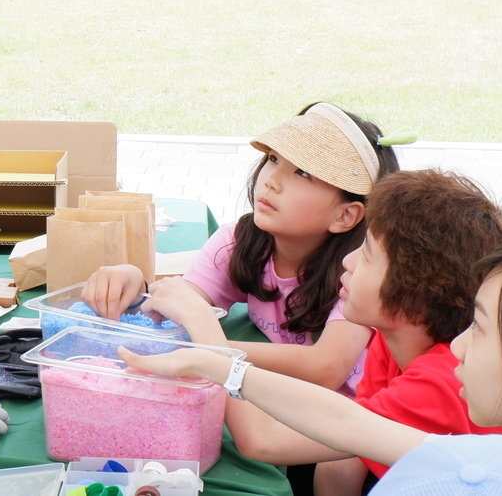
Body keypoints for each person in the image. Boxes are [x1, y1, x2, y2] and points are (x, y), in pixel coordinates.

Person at [124, 232, 502, 496]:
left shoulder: (489, 475)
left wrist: (214, 349)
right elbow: (349, 426)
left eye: (480, 328)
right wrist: (217, 363)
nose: (460, 346)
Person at [147, 169, 502, 493]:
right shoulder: (390, 345)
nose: (348, 260)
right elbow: (347, 448)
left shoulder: (440, 381)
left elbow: (263, 441)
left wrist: (204, 329)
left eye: (368, 253)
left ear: (415, 292)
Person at [84, 103, 401, 395]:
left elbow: (326, 369)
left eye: (303, 173)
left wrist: (210, 348)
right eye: (274, 159)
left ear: (345, 215)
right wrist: (136, 282)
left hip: (350, 428)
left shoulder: (361, 273)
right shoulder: (239, 242)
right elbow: (184, 303)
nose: (272, 180)